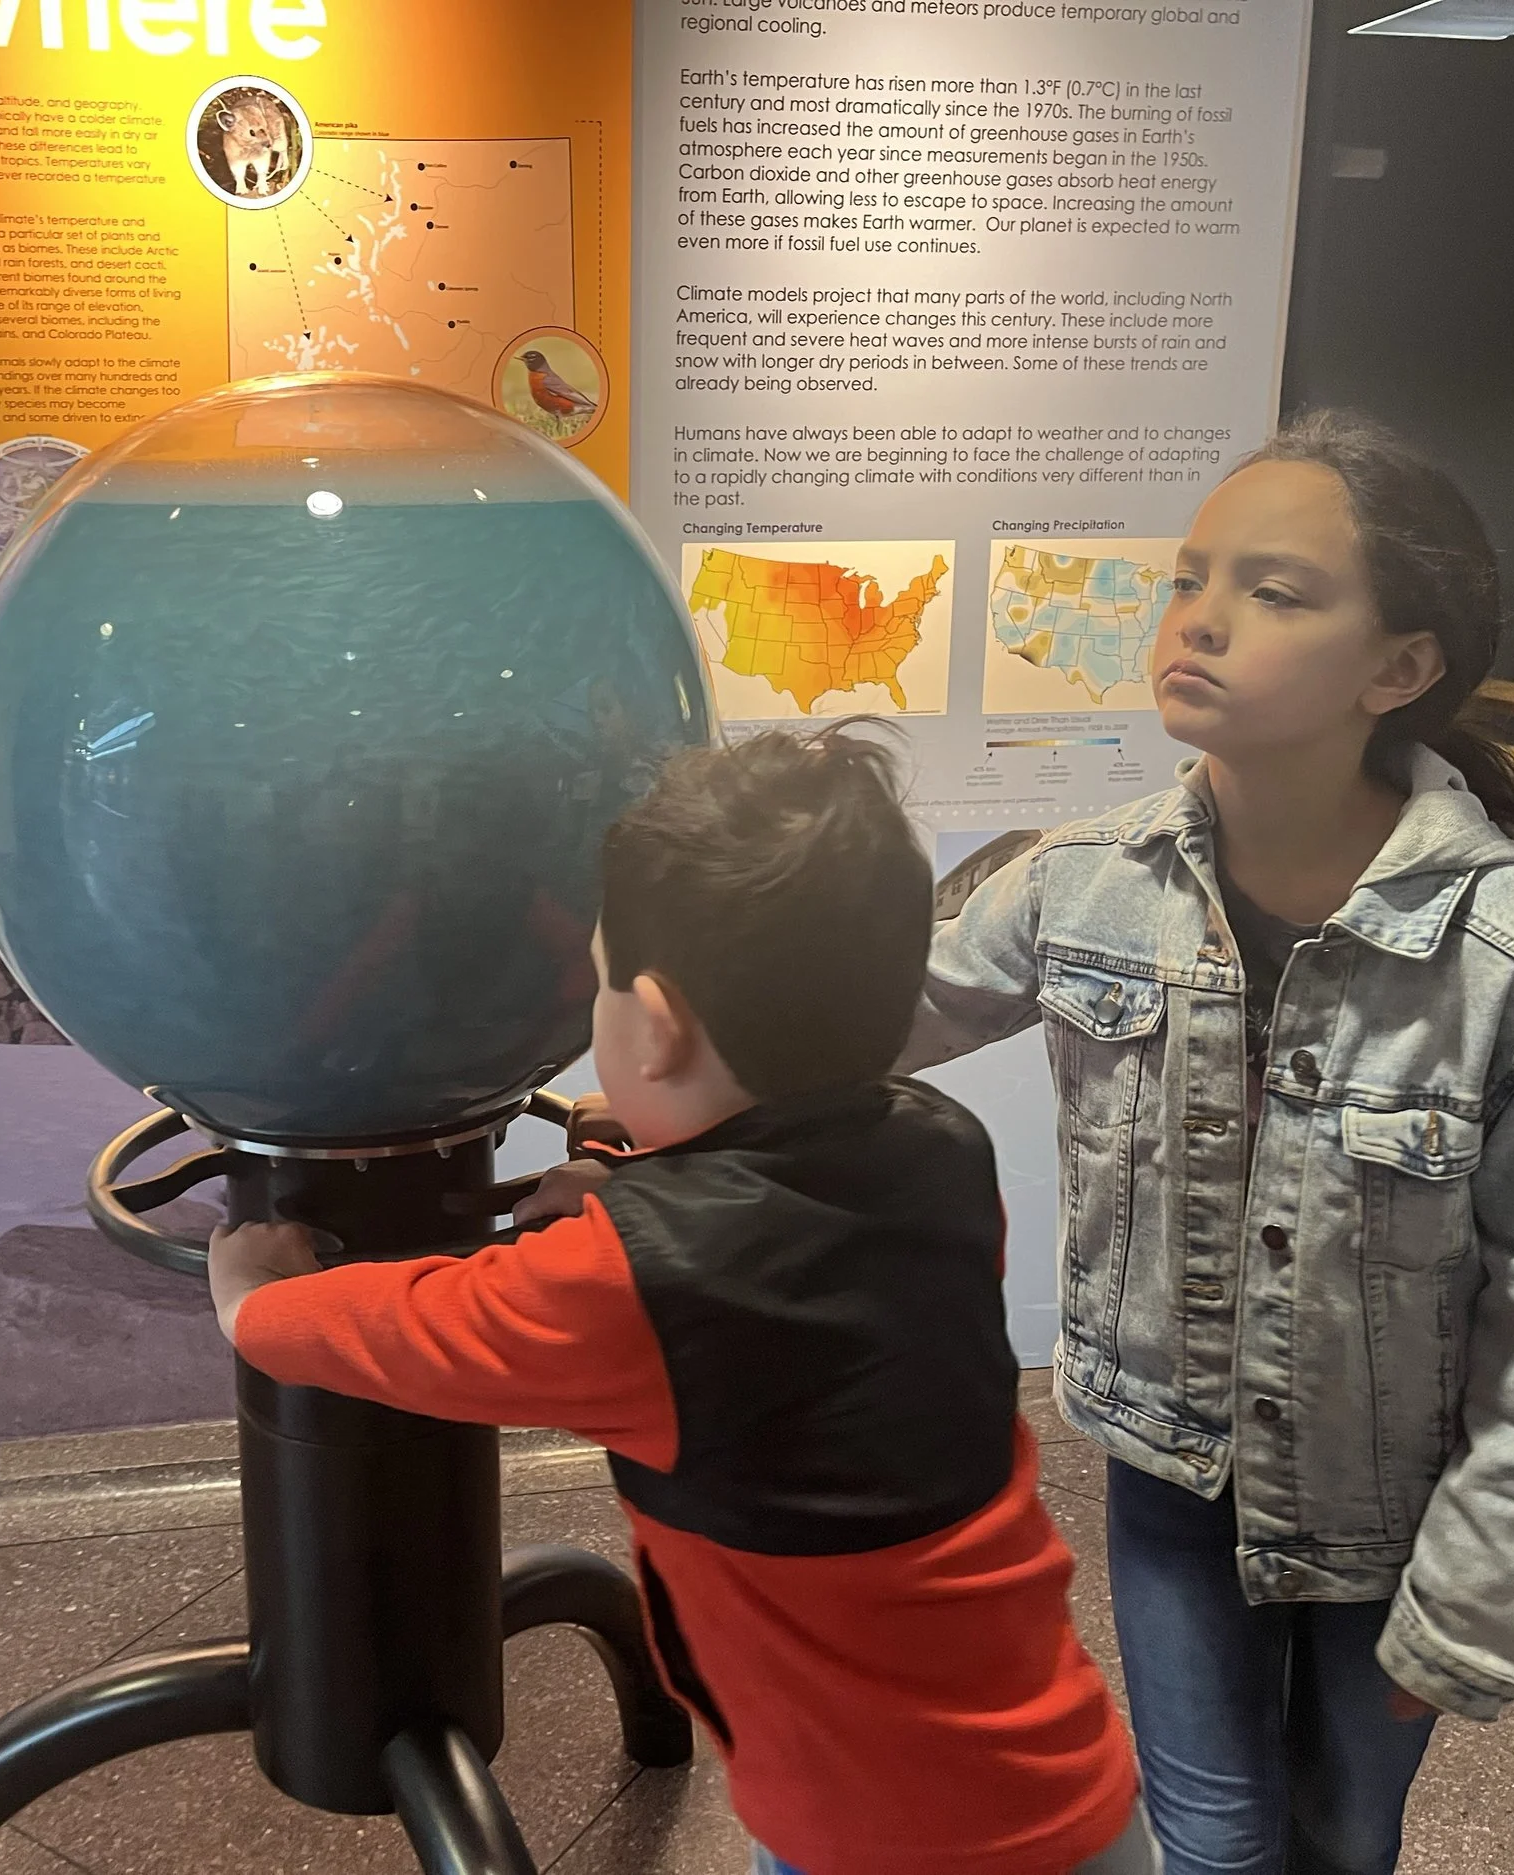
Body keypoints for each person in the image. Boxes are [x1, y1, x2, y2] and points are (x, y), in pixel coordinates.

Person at [208, 726, 1159, 1875]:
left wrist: (255, 1301)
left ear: (653, 1027)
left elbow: (416, 1331)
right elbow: (783, 1235)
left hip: (881, 1845)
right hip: (1059, 1791)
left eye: (601, 983)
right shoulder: (936, 1146)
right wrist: (639, 1185)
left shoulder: (634, 1283)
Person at [897, 410, 1514, 1875]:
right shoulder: (1085, 882)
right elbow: (874, 1014)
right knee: (1214, 1842)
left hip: (1392, 1511)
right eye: (1188, 579)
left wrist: (1477, 1600)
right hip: (1170, 1478)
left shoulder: (1512, 961)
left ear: (1398, 668)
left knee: (1348, 1835)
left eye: (1276, 592)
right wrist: (668, 1057)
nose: (1201, 618)